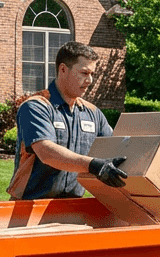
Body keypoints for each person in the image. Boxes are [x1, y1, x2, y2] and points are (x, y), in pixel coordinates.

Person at [7, 41, 128, 200]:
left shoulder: (93, 113)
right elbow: (47, 152)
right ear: (63, 69)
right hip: (28, 206)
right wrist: (93, 165)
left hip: (73, 206)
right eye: (84, 73)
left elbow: (116, 147)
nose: (90, 80)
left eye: (92, 74)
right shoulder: (36, 107)